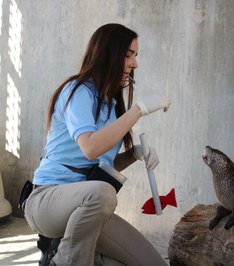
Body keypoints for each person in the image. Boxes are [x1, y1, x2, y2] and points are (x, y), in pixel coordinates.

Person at [24, 23, 171, 266]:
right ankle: (64, 261)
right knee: (103, 193)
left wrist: (133, 154)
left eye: (135, 56)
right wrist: (139, 110)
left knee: (151, 263)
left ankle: (75, 253)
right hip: (46, 202)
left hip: (85, 207)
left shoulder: (110, 105)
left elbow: (98, 163)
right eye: (127, 55)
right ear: (107, 55)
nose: (135, 64)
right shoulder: (77, 92)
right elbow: (90, 148)